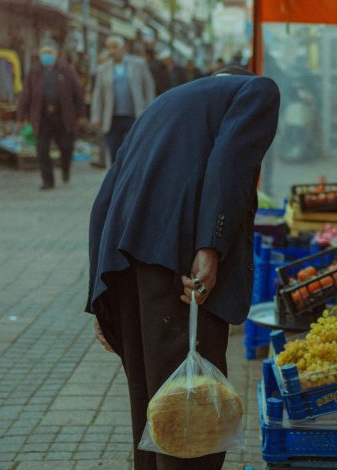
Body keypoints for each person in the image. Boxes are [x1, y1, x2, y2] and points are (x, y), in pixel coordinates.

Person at [86, 66, 280, 470]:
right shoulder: (255, 90)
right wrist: (210, 247)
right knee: (190, 406)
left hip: (123, 262)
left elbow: (107, 193)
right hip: (179, 267)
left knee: (151, 404)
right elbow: (231, 165)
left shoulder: (165, 102)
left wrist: (99, 296)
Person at [18, 40, 85, 189]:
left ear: (56, 54)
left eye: (49, 52)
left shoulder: (66, 70)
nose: (46, 55)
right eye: (44, 52)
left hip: (63, 117)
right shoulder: (34, 72)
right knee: (42, 150)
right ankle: (47, 181)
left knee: (66, 147)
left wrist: (81, 115)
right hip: (42, 117)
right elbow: (26, 95)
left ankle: (65, 169)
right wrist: (21, 116)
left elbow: (78, 93)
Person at [91, 35, 155, 165]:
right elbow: (98, 94)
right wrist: (96, 117)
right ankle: (116, 175)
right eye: (109, 48)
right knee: (114, 151)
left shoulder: (138, 64)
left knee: (134, 149)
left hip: (135, 115)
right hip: (112, 118)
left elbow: (148, 87)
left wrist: (150, 110)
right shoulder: (103, 69)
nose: (112, 51)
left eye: (115, 47)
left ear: (123, 48)